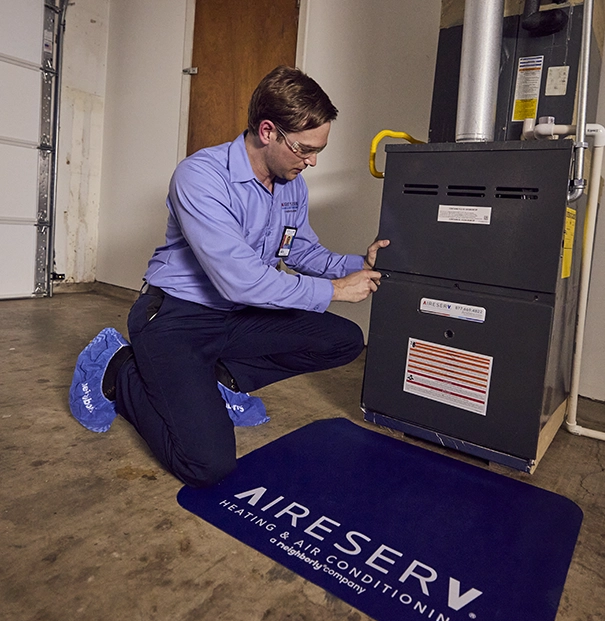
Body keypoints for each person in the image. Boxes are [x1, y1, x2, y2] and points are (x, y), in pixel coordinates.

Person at [69, 66, 389, 487]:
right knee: (207, 466)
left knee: (343, 340)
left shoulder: (291, 183)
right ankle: (121, 369)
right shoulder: (201, 177)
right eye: (304, 149)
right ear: (268, 130)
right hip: (175, 318)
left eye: (318, 151)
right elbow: (240, 280)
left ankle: (216, 379)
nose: (312, 161)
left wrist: (356, 266)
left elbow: (300, 249)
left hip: (236, 318)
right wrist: (333, 290)